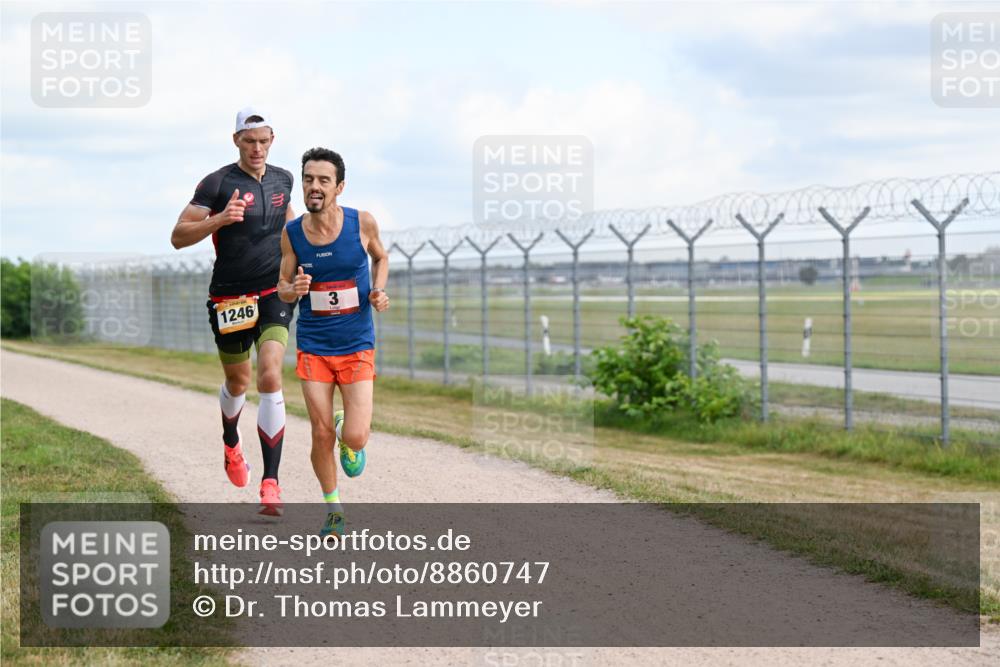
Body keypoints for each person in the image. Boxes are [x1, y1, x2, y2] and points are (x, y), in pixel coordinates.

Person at [171, 107, 295, 516]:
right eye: (249, 140)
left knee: (270, 374)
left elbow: (289, 227)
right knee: (238, 382)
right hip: (230, 298)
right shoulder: (217, 183)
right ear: (236, 140)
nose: (257, 148)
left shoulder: (283, 179)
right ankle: (230, 440)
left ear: (272, 139)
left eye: (263, 140)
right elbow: (178, 236)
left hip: (273, 292)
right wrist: (220, 219)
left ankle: (271, 483)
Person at [277, 147, 389, 536]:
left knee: (355, 436)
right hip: (314, 346)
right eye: (308, 179)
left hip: (357, 343)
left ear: (339, 187)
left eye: (323, 180)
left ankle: (347, 431)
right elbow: (282, 287)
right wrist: (295, 288)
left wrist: (378, 291)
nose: (314, 186)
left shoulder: (362, 223)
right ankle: (334, 510)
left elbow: (382, 258)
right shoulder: (292, 234)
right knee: (319, 432)